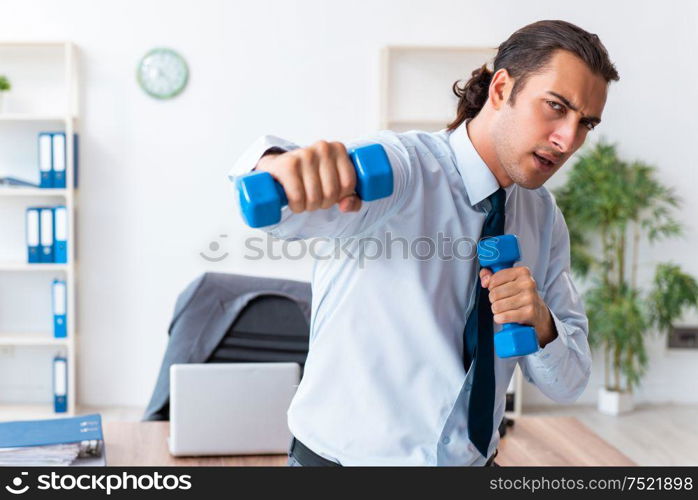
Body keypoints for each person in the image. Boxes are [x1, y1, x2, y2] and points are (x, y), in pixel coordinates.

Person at [228, 19, 619, 466]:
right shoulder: (404, 170)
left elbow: (568, 383)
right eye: (555, 106)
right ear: (500, 90)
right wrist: (278, 168)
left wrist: (542, 323)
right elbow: (292, 205)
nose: (567, 139)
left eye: (584, 123)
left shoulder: (543, 216)